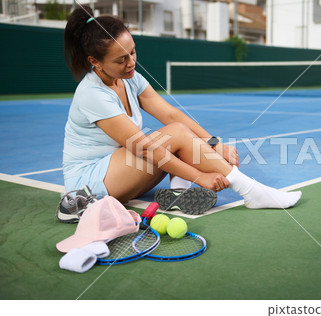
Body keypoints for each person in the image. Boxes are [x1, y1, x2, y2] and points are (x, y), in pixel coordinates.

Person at [59, 6, 301, 222]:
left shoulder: (130, 78)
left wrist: (214, 144)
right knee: (169, 137)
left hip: (120, 174)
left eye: (133, 52)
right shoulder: (93, 93)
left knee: (176, 133)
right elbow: (143, 148)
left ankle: (180, 191)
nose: (131, 62)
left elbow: (171, 115)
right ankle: (251, 191)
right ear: (96, 62)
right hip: (88, 186)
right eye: (121, 59)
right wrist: (200, 176)